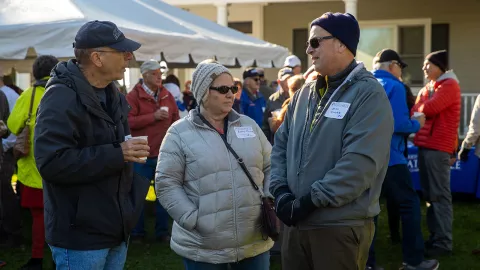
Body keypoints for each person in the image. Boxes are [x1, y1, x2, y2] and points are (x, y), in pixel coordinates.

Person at [269, 12, 394, 270]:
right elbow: (280, 145)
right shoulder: (304, 93)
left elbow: (360, 166)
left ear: (341, 44)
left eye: (315, 42)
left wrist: (308, 202)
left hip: (338, 227)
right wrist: (280, 191)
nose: (308, 50)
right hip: (295, 225)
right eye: (307, 43)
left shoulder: (369, 94)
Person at [34, 20, 150, 269]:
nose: (129, 56)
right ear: (97, 58)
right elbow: (51, 163)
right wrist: (119, 153)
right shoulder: (60, 96)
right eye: (122, 51)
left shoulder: (113, 94)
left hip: (115, 225)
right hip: (80, 235)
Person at [155, 59, 273, 270]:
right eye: (223, 88)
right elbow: (166, 183)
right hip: (204, 246)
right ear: (203, 92)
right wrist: (193, 219)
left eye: (233, 88)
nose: (231, 94)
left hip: (254, 240)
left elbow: (272, 166)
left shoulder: (249, 126)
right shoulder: (178, 133)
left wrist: (269, 197)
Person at [368, 49, 439, 270]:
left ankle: (366, 262)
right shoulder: (395, 86)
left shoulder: (364, 84)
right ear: (392, 65)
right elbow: (398, 124)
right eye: (400, 66)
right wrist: (418, 122)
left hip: (365, 158)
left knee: (369, 210)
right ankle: (413, 261)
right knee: (409, 205)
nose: (401, 72)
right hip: (391, 157)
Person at [8, 55, 59, 270]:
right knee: (62, 214)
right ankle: (62, 257)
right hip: (62, 163)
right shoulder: (64, 92)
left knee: (39, 215)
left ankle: (37, 258)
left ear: (36, 72)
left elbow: (12, 125)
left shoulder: (29, 95)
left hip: (34, 167)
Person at [412, 50, 460, 258]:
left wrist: (420, 110)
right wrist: (420, 110)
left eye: (428, 64)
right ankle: (435, 237)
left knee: (439, 196)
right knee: (430, 196)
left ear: (440, 66)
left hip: (438, 147)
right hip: (426, 146)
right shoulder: (430, 87)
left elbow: (430, 109)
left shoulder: (450, 86)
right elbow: (416, 109)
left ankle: (443, 243)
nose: (424, 68)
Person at [126, 60, 179, 243]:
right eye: (155, 73)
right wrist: (153, 117)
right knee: (138, 197)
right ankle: (137, 234)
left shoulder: (166, 95)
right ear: (145, 75)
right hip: (141, 152)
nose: (159, 77)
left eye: (160, 74)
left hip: (163, 153)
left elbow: (175, 118)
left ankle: (162, 233)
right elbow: (128, 122)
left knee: (164, 195)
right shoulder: (133, 96)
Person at [0, 65, 21, 250]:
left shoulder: (7, 95)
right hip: (6, 148)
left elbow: (12, 127)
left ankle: (12, 234)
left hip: (6, 150)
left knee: (5, 192)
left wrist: (4, 146)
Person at [262, 67, 293, 143]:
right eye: (286, 79)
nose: (288, 82)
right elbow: (265, 125)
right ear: (279, 82)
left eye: (290, 79)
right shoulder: (272, 99)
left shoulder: (298, 97)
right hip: (277, 143)